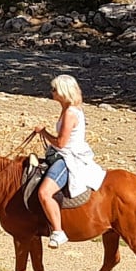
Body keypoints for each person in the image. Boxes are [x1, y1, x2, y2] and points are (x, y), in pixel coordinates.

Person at [34, 75, 107, 248]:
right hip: (64, 153)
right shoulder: (71, 109)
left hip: (68, 158)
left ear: (63, 92)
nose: (52, 93)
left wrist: (43, 132)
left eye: (54, 90)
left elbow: (61, 143)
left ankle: (58, 231)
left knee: (44, 193)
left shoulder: (70, 113)